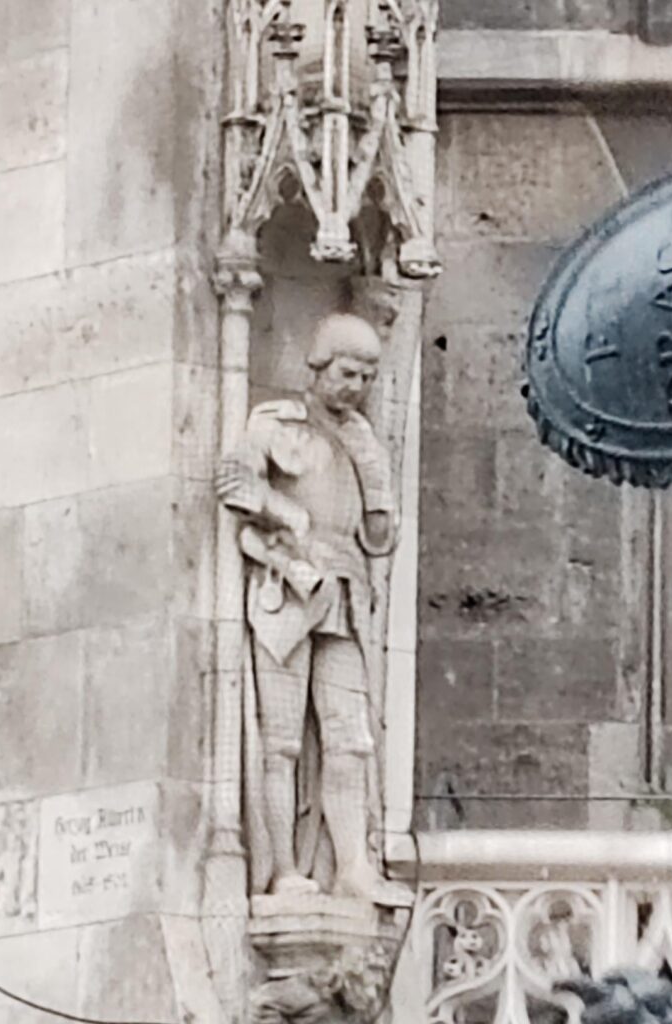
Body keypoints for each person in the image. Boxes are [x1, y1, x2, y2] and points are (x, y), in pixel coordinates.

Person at [217, 313, 411, 906]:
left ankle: (351, 865)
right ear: (320, 367)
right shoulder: (278, 423)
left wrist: (374, 471)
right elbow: (234, 484)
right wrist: (287, 516)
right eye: (348, 373)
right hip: (288, 593)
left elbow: (379, 537)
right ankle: (280, 871)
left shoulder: (362, 439)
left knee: (350, 740)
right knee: (281, 743)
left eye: (368, 378)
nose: (356, 387)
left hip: (345, 599)